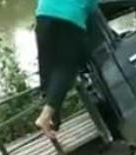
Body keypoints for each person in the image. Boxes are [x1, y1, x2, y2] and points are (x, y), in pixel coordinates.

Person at [34, 0, 98, 139]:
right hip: (70, 20)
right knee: (66, 69)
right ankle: (45, 117)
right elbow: (92, 8)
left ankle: (53, 121)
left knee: (48, 70)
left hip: (44, 14)